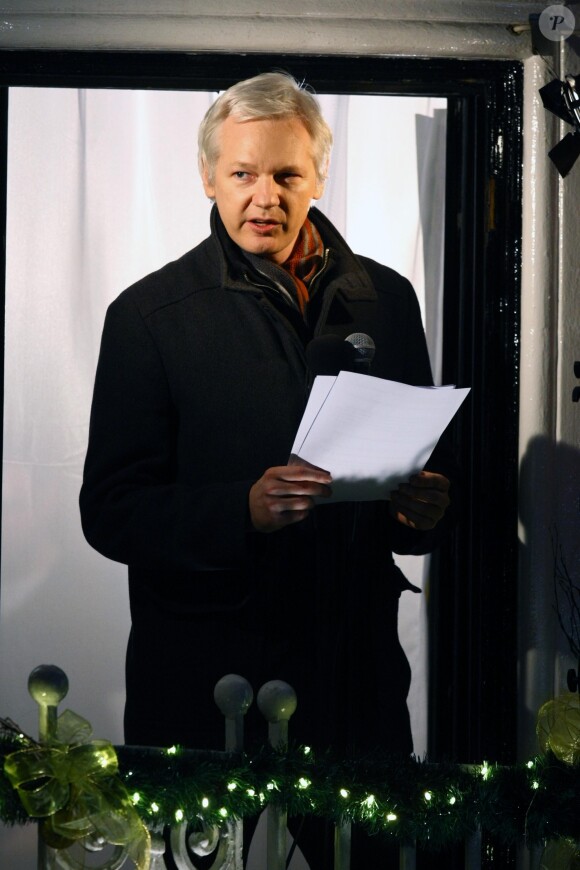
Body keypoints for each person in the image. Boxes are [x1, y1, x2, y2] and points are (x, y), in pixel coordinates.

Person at [80, 71, 458, 865]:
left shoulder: (387, 300)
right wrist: (240, 511)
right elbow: (110, 511)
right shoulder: (148, 316)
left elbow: (422, 476)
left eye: (286, 175)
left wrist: (418, 512)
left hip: (351, 675)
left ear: (320, 175)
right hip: (201, 679)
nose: (265, 196)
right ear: (208, 175)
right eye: (244, 173)